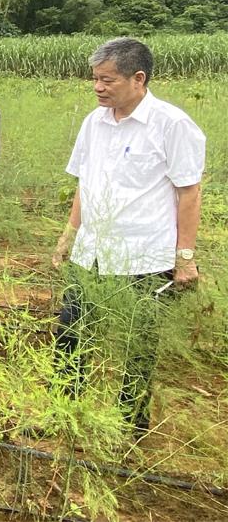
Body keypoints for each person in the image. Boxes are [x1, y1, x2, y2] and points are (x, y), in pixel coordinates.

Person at [51, 37, 204, 439]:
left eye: (108, 80)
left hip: (142, 256)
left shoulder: (172, 125)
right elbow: (86, 183)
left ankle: (128, 425)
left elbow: (188, 191)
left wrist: (184, 256)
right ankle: (64, 409)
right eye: (95, 79)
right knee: (70, 331)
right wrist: (70, 233)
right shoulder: (93, 123)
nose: (98, 87)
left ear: (139, 78)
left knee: (138, 344)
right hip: (92, 252)